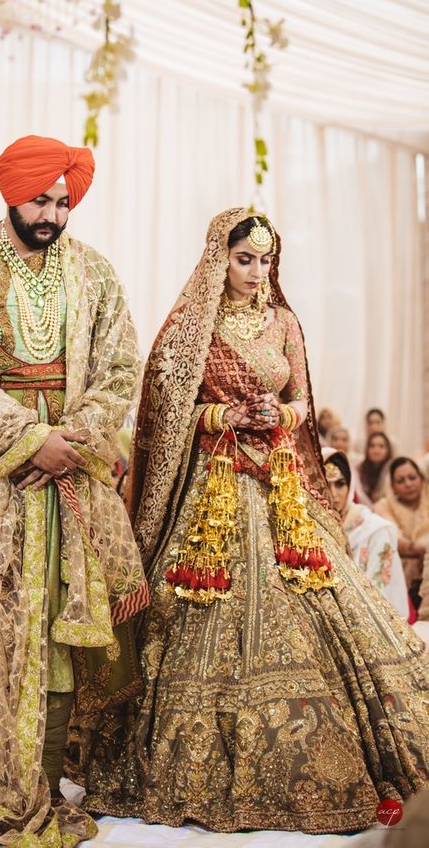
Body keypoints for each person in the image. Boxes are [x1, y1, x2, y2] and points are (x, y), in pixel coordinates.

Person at [83, 208, 429, 834]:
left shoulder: (284, 323)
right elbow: (161, 416)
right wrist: (222, 418)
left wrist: (283, 415)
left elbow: (303, 398)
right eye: (245, 259)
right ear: (221, 257)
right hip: (210, 492)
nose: (256, 271)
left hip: (279, 488)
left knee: (320, 598)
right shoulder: (191, 330)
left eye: (265, 260)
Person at [0, 135, 148, 845]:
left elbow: (119, 364)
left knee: (59, 644)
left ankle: (41, 784)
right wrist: (24, 439)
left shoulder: (95, 274)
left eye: (63, 201)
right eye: (40, 199)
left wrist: (68, 442)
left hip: (70, 476)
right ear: (10, 192)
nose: (52, 213)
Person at [323, 449, 409, 619]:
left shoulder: (374, 530)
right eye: (326, 484)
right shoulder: (312, 528)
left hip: (371, 621)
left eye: (340, 484)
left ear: (351, 485)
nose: (334, 494)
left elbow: (381, 593)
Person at [375, 457, 429, 611]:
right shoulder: (383, 507)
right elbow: (395, 540)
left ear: (421, 478)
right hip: (401, 581)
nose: (408, 484)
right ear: (392, 486)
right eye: (401, 481)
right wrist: (422, 551)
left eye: (412, 478)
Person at [356, 431, 393, 506]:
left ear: (388, 449)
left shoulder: (392, 468)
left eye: (381, 446)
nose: (376, 450)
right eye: (372, 446)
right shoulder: (360, 468)